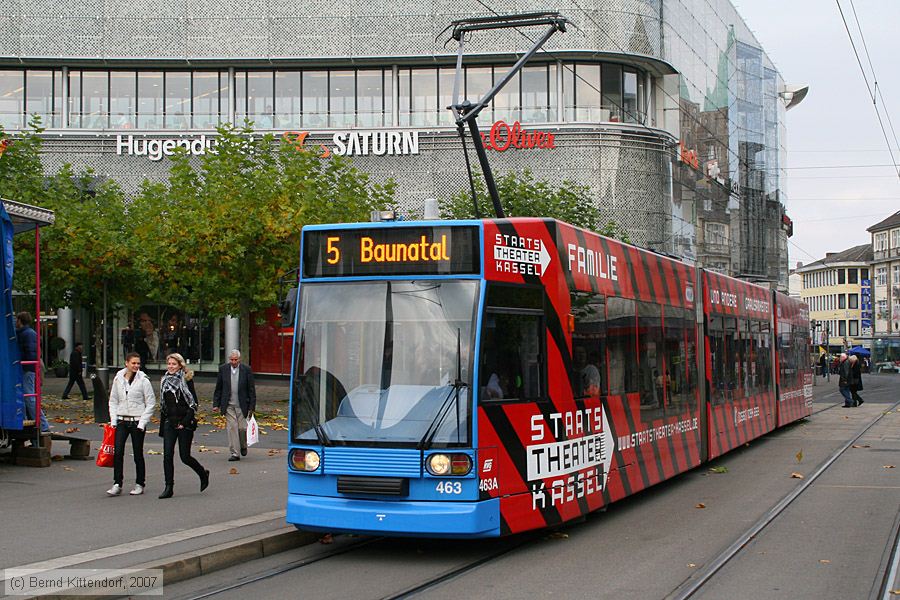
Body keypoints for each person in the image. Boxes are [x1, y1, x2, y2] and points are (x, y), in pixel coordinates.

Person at [158, 353, 209, 499]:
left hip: (185, 423)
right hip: (170, 422)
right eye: (169, 364)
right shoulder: (164, 381)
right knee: (167, 455)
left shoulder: (187, 380)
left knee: (184, 456)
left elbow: (193, 404)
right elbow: (163, 406)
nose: (171, 367)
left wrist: (184, 423)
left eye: (174, 364)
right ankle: (169, 487)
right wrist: (163, 427)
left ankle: (202, 473)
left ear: (180, 365)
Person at [107, 352, 156, 496]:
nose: (136, 366)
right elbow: (113, 400)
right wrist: (114, 419)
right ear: (126, 363)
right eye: (133, 363)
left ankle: (140, 483)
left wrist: (142, 423)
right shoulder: (118, 378)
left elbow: (151, 403)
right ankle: (117, 483)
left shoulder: (144, 380)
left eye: (138, 363)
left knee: (137, 453)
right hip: (122, 420)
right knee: (118, 452)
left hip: (137, 421)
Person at [213, 350, 256, 461]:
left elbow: (251, 389)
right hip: (228, 405)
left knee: (242, 428)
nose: (233, 362)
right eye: (231, 359)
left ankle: (243, 445)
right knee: (232, 427)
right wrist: (216, 404)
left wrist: (252, 407)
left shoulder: (246, 370)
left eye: (235, 360)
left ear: (239, 359)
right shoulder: (223, 369)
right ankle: (235, 453)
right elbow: (219, 388)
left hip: (242, 405)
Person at [16, 311, 50, 432]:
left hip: (27, 369)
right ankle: (33, 421)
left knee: (29, 396)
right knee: (26, 395)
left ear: (20, 321)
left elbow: (30, 353)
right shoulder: (27, 333)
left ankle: (43, 424)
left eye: (17, 319)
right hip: (28, 368)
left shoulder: (27, 334)